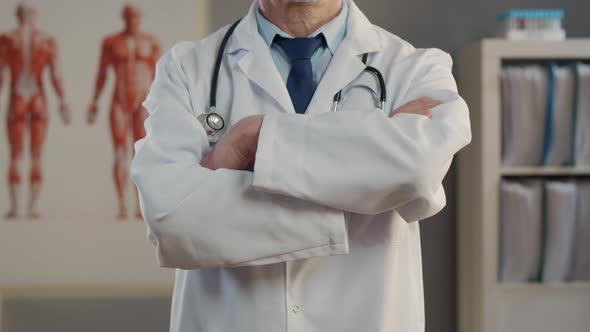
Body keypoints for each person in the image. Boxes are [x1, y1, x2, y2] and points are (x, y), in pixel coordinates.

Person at [130, 0, 471, 331]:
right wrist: (362, 188)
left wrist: (254, 137)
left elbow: (416, 166)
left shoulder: (416, 68)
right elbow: (172, 218)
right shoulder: (186, 69)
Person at [88, 4, 160, 220]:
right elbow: (102, 73)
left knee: (140, 153)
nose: (132, 20)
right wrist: (94, 101)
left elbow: (160, 76)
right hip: (119, 101)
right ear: (124, 18)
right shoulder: (111, 42)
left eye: (136, 16)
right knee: (120, 152)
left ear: (141, 17)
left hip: (142, 101)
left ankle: (140, 206)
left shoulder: (150, 42)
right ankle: (121, 203)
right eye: (129, 16)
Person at [1, 3, 70, 220]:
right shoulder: (46, 40)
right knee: (35, 154)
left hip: (18, 96)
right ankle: (31, 207)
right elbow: (56, 74)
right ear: (34, 16)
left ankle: (18, 207)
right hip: (37, 98)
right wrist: (62, 100)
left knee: (17, 153)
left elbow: (1, 75)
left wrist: (63, 100)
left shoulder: (8, 38)